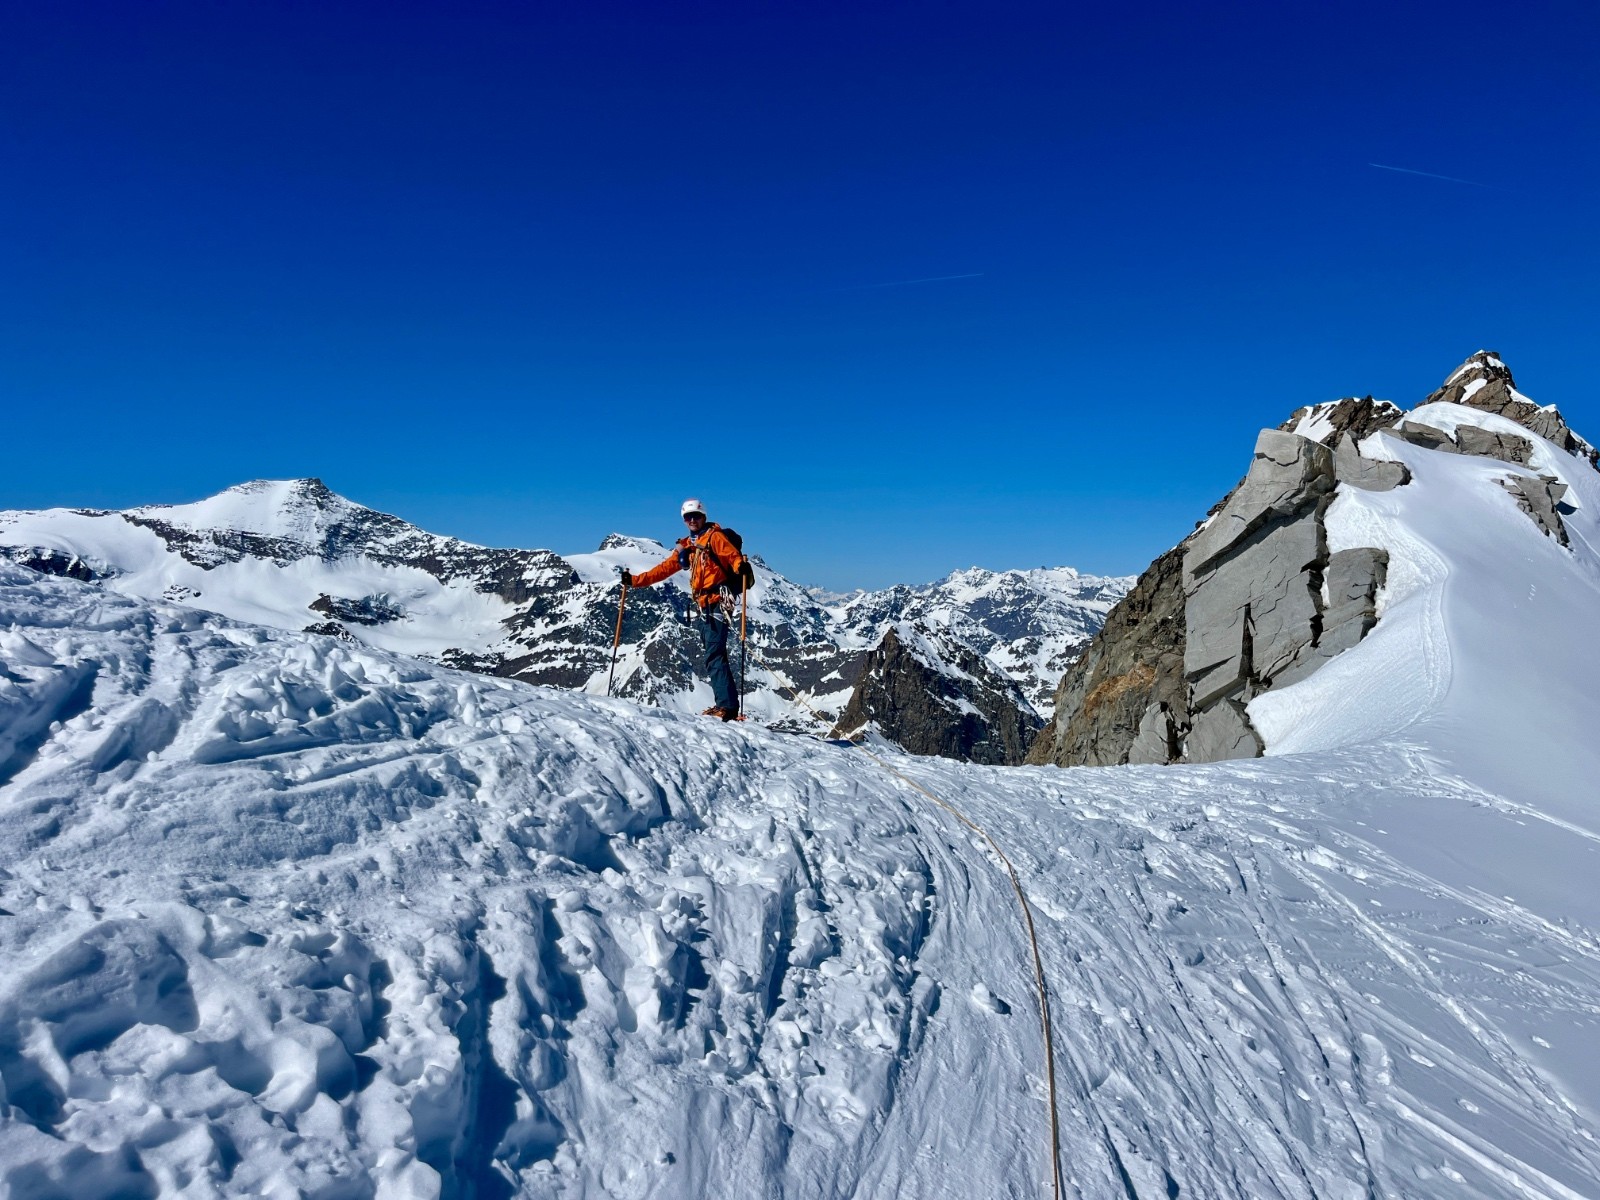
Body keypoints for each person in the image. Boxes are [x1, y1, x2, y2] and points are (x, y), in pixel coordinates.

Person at [621, 498, 754, 720]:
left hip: (717, 601)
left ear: (704, 516)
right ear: (684, 520)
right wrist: (636, 581)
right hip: (704, 605)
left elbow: (731, 556)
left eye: (696, 516)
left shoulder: (714, 537)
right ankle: (726, 705)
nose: (692, 520)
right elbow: (664, 569)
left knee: (714, 653)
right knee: (714, 653)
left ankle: (727, 708)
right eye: (688, 517)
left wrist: (739, 565)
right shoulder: (688, 545)